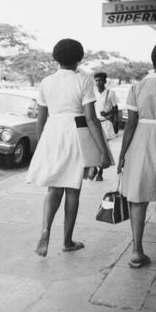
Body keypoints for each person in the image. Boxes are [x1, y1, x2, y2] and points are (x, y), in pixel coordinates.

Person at [26, 38, 112, 257]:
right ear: (79, 58)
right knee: (73, 189)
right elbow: (91, 119)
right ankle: (67, 241)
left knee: (54, 188)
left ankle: (45, 231)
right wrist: (102, 151)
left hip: (52, 133)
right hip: (75, 133)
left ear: (56, 57)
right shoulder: (83, 80)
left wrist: (41, 146)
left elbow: (40, 119)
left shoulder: (46, 82)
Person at [117, 40, 156, 268]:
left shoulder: (137, 87)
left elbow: (130, 124)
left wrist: (123, 154)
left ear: (153, 61)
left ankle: (136, 251)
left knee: (139, 197)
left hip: (143, 143)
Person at [92, 71, 119, 181]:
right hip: (94, 124)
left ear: (105, 81)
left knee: (103, 148)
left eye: (100, 80)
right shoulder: (92, 92)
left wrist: (107, 114)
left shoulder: (110, 94)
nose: (98, 82)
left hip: (105, 124)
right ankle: (93, 167)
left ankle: (100, 172)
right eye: (96, 80)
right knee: (93, 147)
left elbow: (116, 110)